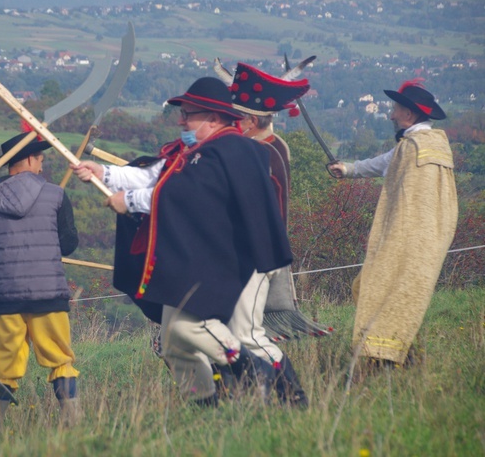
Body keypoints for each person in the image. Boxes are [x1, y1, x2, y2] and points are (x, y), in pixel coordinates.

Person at [72, 77, 293, 407]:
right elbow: (154, 175)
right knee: (175, 339)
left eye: (188, 114)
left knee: (239, 335)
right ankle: (205, 405)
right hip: (207, 261)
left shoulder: (231, 150)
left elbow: (185, 196)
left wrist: (128, 201)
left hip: (242, 260)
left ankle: (281, 391)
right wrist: (103, 173)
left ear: (213, 119)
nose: (181, 121)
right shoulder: (196, 153)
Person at [328, 79, 457, 368]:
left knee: (385, 288)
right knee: (384, 289)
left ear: (409, 115)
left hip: (407, 238)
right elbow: (382, 162)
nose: (391, 115)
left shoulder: (412, 146)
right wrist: (347, 169)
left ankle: (388, 357)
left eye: (396, 109)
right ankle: (399, 355)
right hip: (429, 238)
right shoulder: (428, 144)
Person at [0, 131, 80, 434]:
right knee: (60, 360)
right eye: (41, 160)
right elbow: (68, 244)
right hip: (49, 297)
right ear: (29, 159)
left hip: (5, 300)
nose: (42, 167)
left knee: (2, 368)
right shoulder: (56, 194)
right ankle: (73, 426)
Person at [225, 62, 312, 407]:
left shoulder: (261, 152)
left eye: (237, 118)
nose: (233, 123)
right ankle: (253, 397)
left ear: (250, 121)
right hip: (254, 256)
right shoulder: (272, 146)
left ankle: (292, 396)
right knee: (235, 334)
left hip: (255, 257)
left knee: (247, 334)